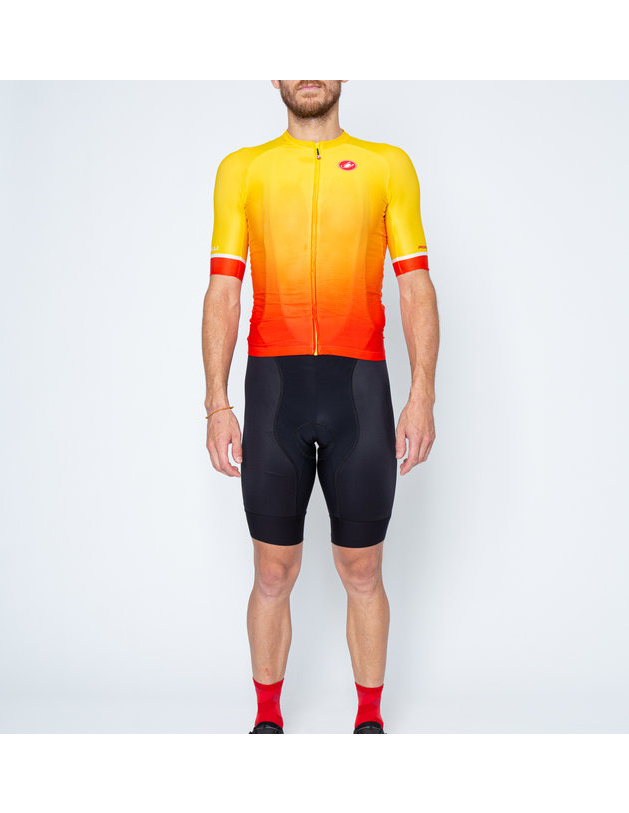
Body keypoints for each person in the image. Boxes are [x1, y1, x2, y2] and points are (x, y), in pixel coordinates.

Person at [202, 80, 439, 734]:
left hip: (358, 387)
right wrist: (217, 402)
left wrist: (422, 393)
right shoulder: (243, 169)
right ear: (273, 76)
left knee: (363, 567)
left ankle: (370, 723)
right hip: (274, 388)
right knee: (272, 571)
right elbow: (223, 290)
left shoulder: (387, 165)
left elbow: (415, 285)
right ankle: (267, 722)